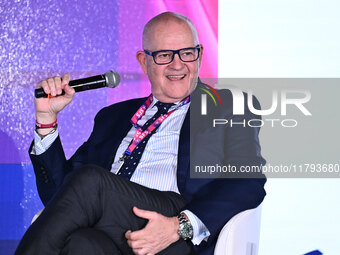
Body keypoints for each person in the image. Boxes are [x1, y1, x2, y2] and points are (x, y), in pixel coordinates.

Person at [15, 12, 266, 255]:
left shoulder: (230, 106)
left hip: (173, 225)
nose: (178, 64)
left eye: (188, 53)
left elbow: (248, 180)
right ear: (144, 61)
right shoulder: (112, 117)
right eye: (165, 55)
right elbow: (62, 196)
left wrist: (180, 225)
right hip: (111, 230)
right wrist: (46, 120)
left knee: (90, 180)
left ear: (199, 56)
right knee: (80, 241)